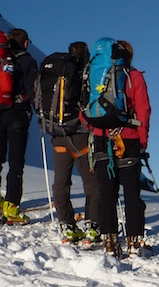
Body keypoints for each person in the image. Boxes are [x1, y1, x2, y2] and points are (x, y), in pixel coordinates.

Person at [89, 40, 151, 257]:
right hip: (128, 138)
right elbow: (143, 110)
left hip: (101, 137)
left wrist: (96, 126)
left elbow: (85, 108)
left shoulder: (95, 73)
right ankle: (134, 241)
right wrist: (142, 140)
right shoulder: (134, 76)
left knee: (106, 192)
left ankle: (110, 241)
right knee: (132, 192)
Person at [48, 42, 102, 244]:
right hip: (80, 134)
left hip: (57, 134)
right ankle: (92, 225)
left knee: (61, 182)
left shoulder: (58, 72)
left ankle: (67, 225)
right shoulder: (84, 74)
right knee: (92, 182)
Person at [0, 28, 38, 225]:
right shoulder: (28, 61)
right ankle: (11, 206)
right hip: (17, 115)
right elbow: (33, 91)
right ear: (25, 43)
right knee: (16, 161)